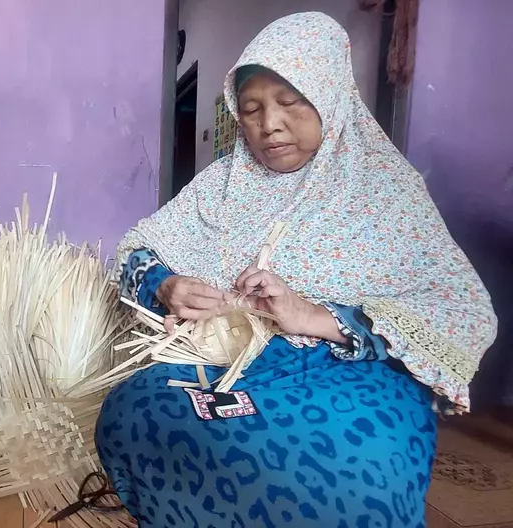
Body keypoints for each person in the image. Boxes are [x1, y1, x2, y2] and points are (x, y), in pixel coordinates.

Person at [95, 12, 497, 528]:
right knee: (135, 412)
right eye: (251, 109)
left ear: (330, 94)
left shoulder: (386, 190)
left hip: (345, 378)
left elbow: (461, 309)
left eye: (291, 102)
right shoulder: (223, 182)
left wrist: (315, 317)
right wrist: (166, 285)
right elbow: (137, 247)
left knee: (357, 465)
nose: (269, 124)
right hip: (227, 370)